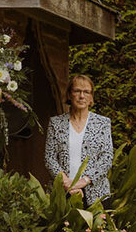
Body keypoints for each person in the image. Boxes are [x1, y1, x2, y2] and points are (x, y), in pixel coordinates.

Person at [44, 74, 114, 206]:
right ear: (70, 95)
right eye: (77, 91)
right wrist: (66, 183)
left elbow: (106, 158)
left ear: (91, 97)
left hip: (96, 196)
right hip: (62, 194)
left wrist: (82, 182)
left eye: (86, 92)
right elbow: (50, 157)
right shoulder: (56, 123)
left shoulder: (102, 123)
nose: (82, 96)